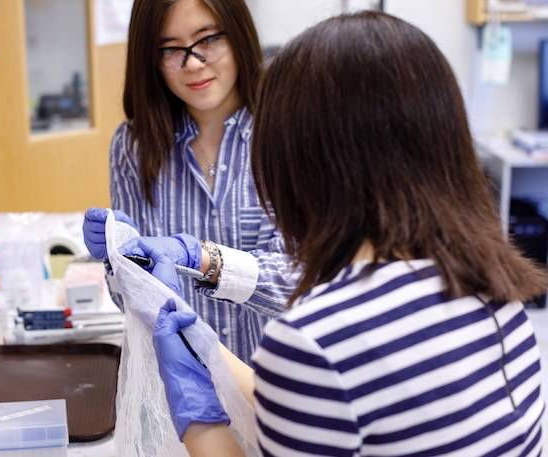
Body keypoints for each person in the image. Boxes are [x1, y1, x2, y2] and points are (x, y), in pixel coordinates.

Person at [131, 11, 548, 456]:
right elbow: (328, 403)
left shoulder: (316, 340)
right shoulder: (494, 289)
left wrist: (198, 420)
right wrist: (205, 352)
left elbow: (319, 372)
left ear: (298, 163)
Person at [82, 0, 297, 363]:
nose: (193, 63)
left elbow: (302, 279)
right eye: (171, 49)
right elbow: (131, 303)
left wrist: (206, 261)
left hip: (278, 387)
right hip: (184, 393)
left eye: (208, 39)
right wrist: (117, 262)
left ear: (238, 32)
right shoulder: (133, 147)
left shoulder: (290, 132)